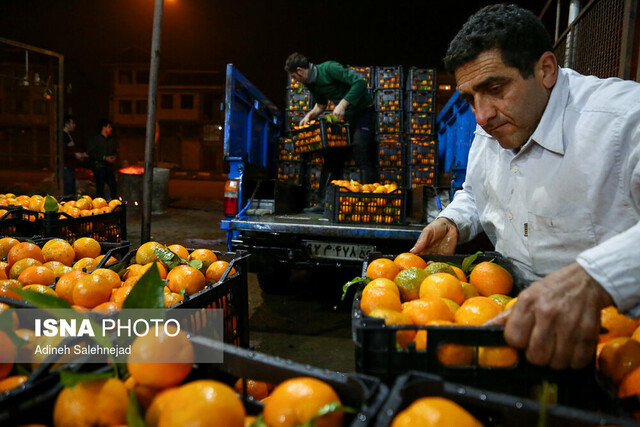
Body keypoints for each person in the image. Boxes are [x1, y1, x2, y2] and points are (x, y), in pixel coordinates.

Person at [411, 4, 640, 370]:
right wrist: (453, 221)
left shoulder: (623, 120)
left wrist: (596, 278)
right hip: (513, 320)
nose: (482, 115)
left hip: (614, 342)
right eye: (471, 98)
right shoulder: (494, 125)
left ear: (545, 70)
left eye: (496, 88)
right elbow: (475, 191)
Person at [285, 53, 376, 212]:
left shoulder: (329, 69)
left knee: (361, 148)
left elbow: (360, 83)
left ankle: (367, 201)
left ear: (300, 70)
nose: (295, 80)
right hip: (343, 118)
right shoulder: (311, 83)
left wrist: (343, 103)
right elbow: (321, 105)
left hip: (363, 113)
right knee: (332, 154)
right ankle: (324, 203)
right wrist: (309, 115)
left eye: (294, 76)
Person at [87, 119, 117, 199]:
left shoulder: (111, 140)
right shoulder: (96, 139)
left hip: (109, 167)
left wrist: (113, 157)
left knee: (113, 185)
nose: (111, 129)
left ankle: (113, 202)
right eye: (109, 127)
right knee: (100, 187)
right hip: (99, 166)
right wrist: (103, 158)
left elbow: (114, 151)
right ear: (104, 127)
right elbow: (91, 153)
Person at [62, 114, 87, 196]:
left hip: (70, 168)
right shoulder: (63, 136)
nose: (74, 125)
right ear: (67, 124)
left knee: (71, 193)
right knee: (68, 193)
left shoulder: (68, 136)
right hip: (66, 169)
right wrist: (75, 155)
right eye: (72, 123)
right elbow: (63, 152)